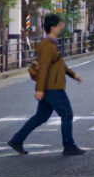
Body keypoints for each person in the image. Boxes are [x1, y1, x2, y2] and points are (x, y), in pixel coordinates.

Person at [8, 14, 84, 156]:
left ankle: (17, 140)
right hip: (52, 88)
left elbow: (59, 64)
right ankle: (69, 146)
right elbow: (44, 68)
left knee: (41, 117)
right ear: (53, 27)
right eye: (60, 25)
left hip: (49, 87)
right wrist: (40, 89)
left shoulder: (51, 44)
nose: (62, 27)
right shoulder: (47, 45)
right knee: (67, 114)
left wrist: (73, 75)